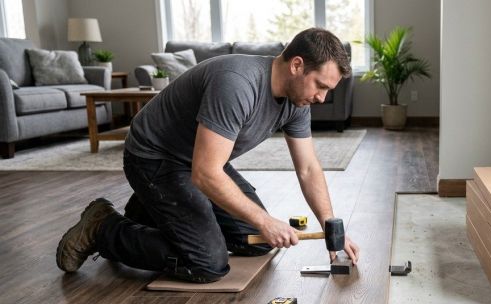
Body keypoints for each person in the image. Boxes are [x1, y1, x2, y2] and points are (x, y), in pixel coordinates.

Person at [56, 28, 359, 282]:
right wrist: (266, 221)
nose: (322, 98)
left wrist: (332, 227)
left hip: (198, 161)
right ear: (296, 65)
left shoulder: (297, 102)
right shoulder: (237, 84)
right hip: (155, 158)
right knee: (207, 263)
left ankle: (150, 209)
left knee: (255, 243)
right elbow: (205, 173)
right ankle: (102, 227)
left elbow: (307, 168)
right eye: (320, 85)